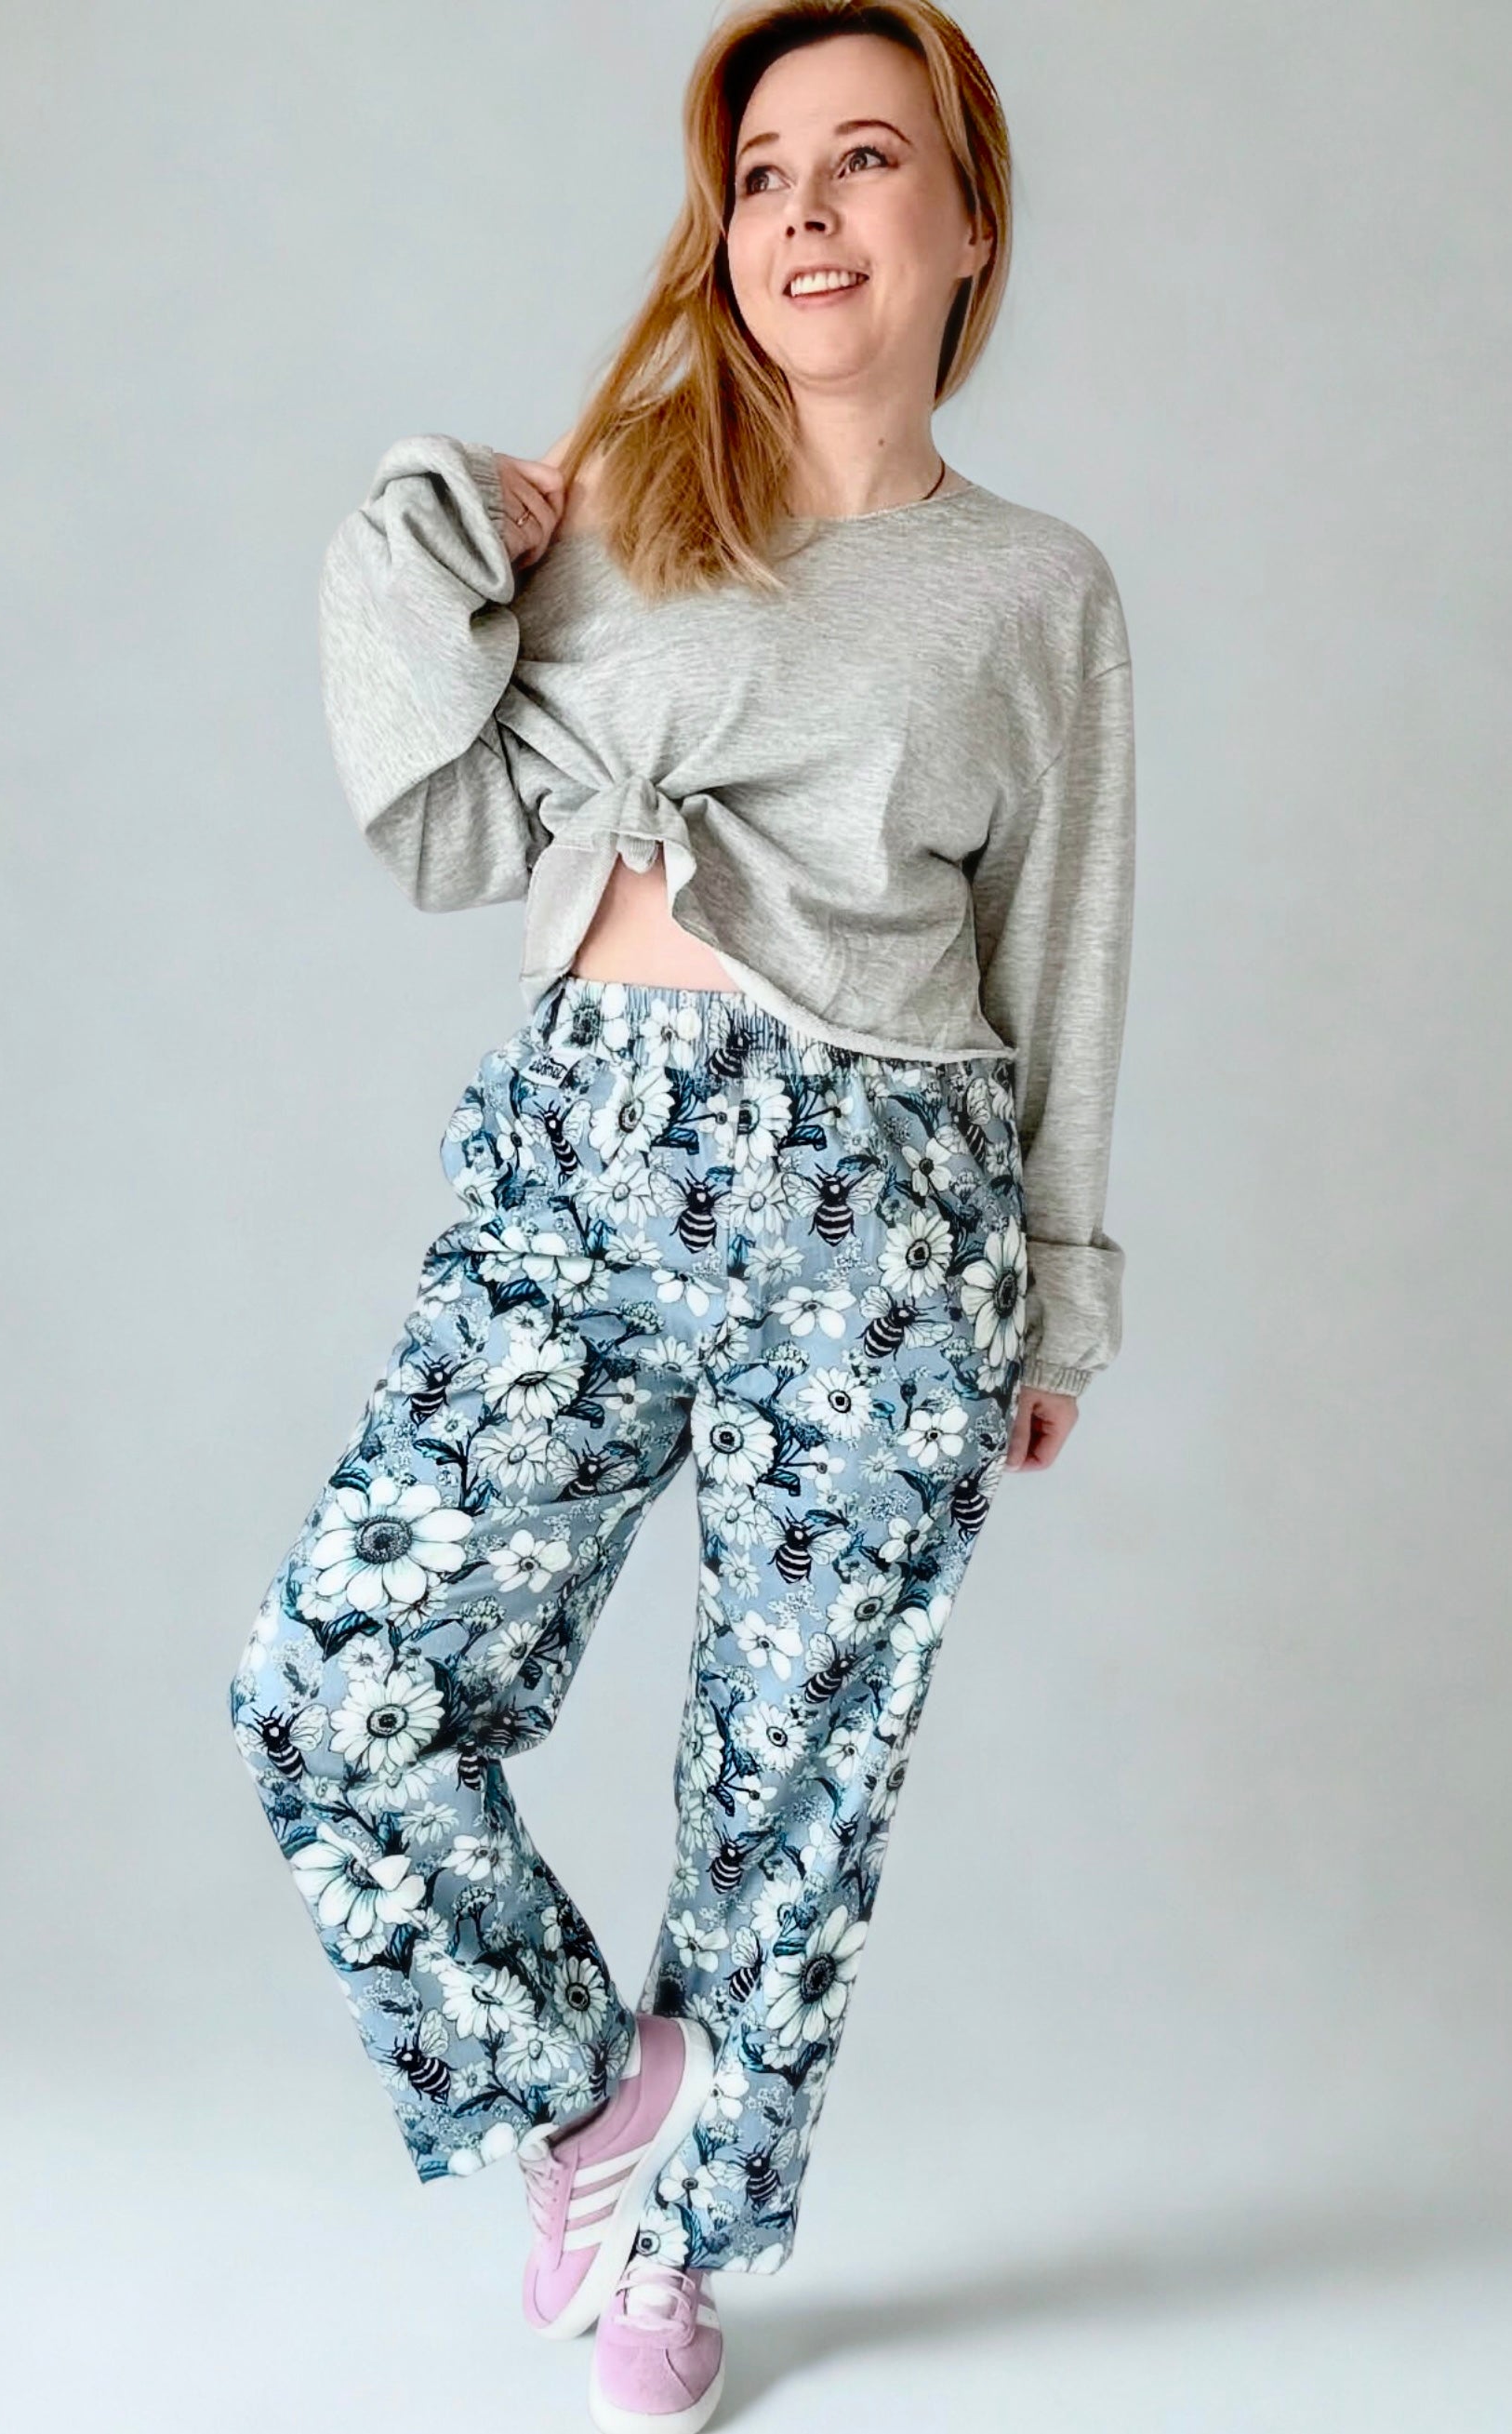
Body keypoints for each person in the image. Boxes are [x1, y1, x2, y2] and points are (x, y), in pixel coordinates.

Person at [229, 5, 1135, 2427]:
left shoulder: (1033, 589)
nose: (805, 211)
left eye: (867, 160)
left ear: (969, 220)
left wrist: (1059, 1298)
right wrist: (430, 524)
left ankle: (685, 2257)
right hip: (580, 1163)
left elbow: (1059, 946)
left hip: (889, 1214)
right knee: (336, 1684)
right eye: (761, 174)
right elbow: (443, 832)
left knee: (790, 1786)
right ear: (723, 233)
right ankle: (581, 2088)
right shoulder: (628, 513)